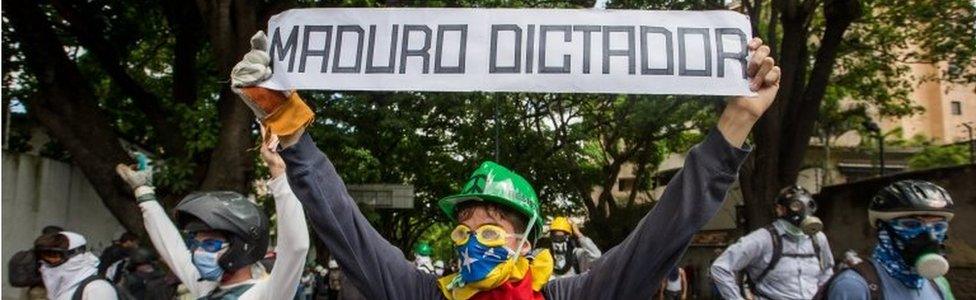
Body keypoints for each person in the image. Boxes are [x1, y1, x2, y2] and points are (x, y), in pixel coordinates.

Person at [231, 29, 780, 299]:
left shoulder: (568, 296)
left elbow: (666, 231)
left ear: (526, 241)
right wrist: (290, 128)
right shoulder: (426, 294)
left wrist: (735, 124)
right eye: (464, 228)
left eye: (491, 229)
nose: (472, 241)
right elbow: (345, 227)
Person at [114, 129, 311, 299]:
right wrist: (144, 192)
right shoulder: (207, 289)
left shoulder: (265, 294)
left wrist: (278, 172)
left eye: (210, 245)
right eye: (195, 244)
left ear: (241, 248)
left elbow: (296, 247)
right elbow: (171, 246)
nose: (198, 253)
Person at [821, 180, 956, 299]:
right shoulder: (854, 285)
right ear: (883, 229)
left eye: (938, 226)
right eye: (911, 225)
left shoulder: (939, 285)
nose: (930, 236)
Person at [710, 185, 835, 299]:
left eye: (809, 205)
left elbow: (827, 270)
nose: (803, 211)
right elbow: (720, 267)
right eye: (796, 206)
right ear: (780, 209)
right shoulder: (762, 239)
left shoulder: (818, 238)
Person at [33, 231, 120, 300]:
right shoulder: (61, 287)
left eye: (54, 254)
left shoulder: (97, 288)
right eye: (43, 255)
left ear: (75, 255)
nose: (48, 260)